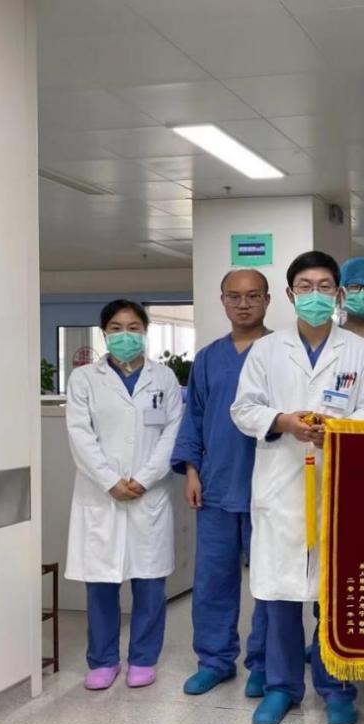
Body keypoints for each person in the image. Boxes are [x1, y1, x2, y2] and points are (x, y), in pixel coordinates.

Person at [231, 250, 364, 724]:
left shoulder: (359, 351)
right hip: (280, 486)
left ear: (338, 294)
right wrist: (284, 421)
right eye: (305, 287)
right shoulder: (266, 350)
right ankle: (282, 687)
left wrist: (338, 427)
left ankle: (337, 687)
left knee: (335, 595)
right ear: (290, 294)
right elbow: (243, 408)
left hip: (340, 486)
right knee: (278, 595)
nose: (314, 295)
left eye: (324, 287)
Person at [65, 299, 184, 691]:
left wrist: (144, 479)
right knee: (101, 582)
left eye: (133, 327)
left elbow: (172, 432)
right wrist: (110, 481)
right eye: (116, 328)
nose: (125, 335)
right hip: (101, 495)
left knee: (150, 583)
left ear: (145, 331)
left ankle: (143, 659)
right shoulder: (85, 378)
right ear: (104, 334)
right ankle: (102, 661)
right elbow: (80, 434)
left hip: (149, 494)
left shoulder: (163, 378)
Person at [172, 269, 271, 698]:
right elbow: (193, 417)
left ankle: (265, 663)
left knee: (268, 585)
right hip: (215, 486)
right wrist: (191, 470)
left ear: (268, 300)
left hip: (269, 487)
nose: (243, 304)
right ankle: (214, 660)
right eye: (234, 296)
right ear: (223, 301)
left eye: (252, 296)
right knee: (213, 580)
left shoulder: (281, 353)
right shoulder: (209, 358)